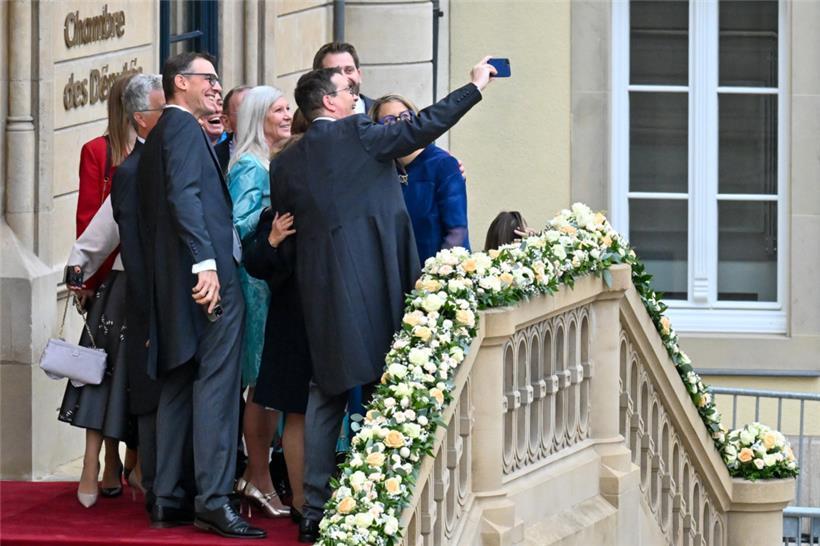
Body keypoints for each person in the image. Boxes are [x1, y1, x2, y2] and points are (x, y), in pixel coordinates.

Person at [270, 57, 497, 542]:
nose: (357, 94)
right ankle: (379, 500)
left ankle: (313, 509)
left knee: (325, 395)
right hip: (378, 288)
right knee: (383, 393)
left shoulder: (285, 160)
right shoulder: (362, 135)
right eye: (347, 88)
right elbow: (426, 124)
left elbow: (287, 231)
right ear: (329, 101)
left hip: (319, 293)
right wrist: (474, 85)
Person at [136, 51, 264, 539]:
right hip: (206, 281)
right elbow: (184, 196)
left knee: (178, 379)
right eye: (207, 79)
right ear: (180, 83)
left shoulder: (159, 136)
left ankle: (168, 497)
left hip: (175, 285)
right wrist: (206, 264)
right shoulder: (186, 129)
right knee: (216, 386)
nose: (215, 87)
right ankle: (213, 500)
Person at [60, 72, 137, 508]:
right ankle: (105, 461)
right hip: (110, 280)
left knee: (133, 375)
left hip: (142, 278)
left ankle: (129, 460)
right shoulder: (98, 150)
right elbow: (89, 216)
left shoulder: (160, 151)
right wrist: (86, 281)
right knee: (103, 372)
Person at [225, 85, 294, 518]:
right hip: (254, 284)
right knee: (260, 385)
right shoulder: (250, 166)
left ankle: (260, 474)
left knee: (268, 386)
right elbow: (236, 223)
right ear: (257, 119)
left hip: (269, 283)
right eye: (279, 110)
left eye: (288, 108)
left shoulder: (269, 161)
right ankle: (257, 476)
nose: (288, 115)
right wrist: (271, 230)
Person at [370, 94, 470, 263]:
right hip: (397, 272)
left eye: (405, 116)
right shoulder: (380, 171)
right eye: (389, 120)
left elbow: (457, 231)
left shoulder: (442, 164)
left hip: (440, 273)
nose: (400, 125)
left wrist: (437, 277)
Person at [313, 42, 374, 115]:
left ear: (359, 75)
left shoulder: (383, 113)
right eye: (334, 72)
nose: (344, 78)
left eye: (349, 70)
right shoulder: (307, 119)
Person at [215, 85, 251, 174]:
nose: (255, 116)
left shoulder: (282, 153)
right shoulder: (211, 158)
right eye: (246, 111)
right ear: (226, 122)